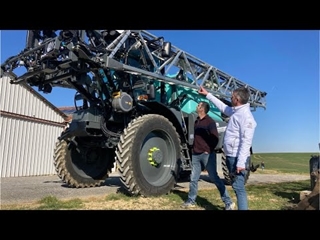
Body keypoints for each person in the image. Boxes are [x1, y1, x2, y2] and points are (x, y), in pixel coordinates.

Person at [198, 85, 257, 210]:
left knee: (239, 188)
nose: (230, 98)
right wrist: (208, 95)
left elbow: (246, 142)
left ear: (237, 99)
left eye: (232, 96)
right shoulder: (236, 111)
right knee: (236, 187)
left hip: (237, 159)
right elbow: (223, 107)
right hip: (231, 156)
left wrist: (240, 163)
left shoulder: (246, 117)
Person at [181, 101, 235, 210]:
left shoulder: (210, 122)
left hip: (207, 155)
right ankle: (191, 201)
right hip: (196, 155)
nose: (196, 106)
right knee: (193, 178)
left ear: (202, 109)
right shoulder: (197, 121)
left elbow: (215, 138)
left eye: (198, 105)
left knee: (214, 178)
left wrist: (208, 150)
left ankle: (228, 202)